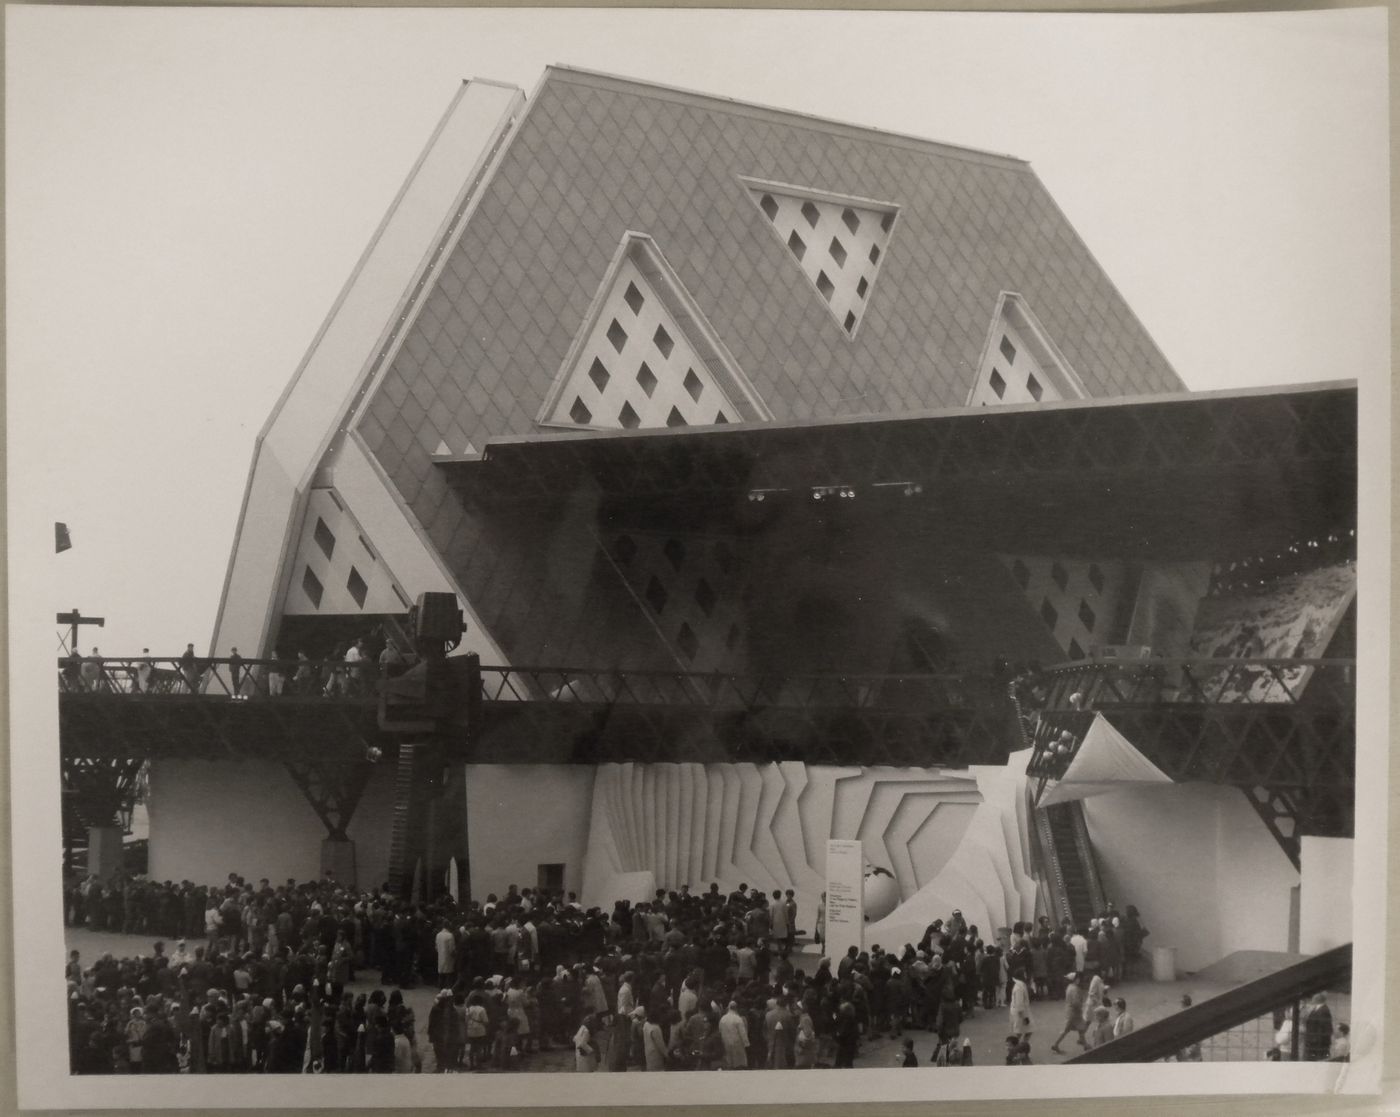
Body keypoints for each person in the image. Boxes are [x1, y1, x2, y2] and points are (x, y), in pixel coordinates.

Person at [719, 1001, 749, 1070]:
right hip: (737, 1043)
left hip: (725, 1042)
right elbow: (743, 1033)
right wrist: (746, 1044)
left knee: (729, 1062)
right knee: (739, 1063)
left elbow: (720, 1031)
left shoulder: (722, 1019)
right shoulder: (738, 1019)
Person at [1303, 993, 1333, 1061]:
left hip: (1318, 1043)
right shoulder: (1316, 1009)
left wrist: (1315, 1040)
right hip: (1313, 1041)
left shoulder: (1324, 1010)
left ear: (1316, 999)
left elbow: (1325, 1028)